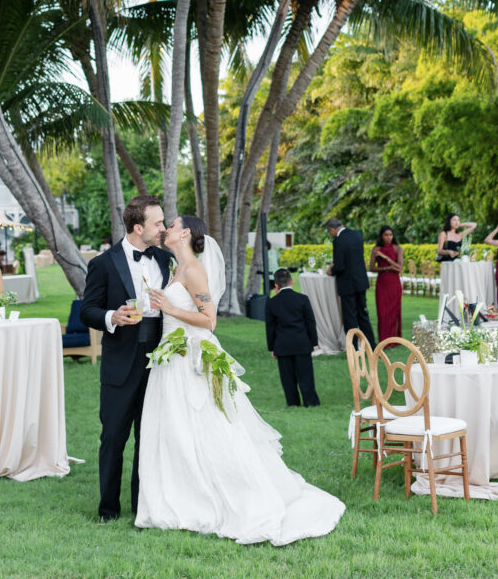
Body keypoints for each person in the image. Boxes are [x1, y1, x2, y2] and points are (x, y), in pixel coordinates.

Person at [136, 215, 344, 544]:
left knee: (206, 428)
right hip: (171, 357)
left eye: (172, 225)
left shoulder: (193, 270)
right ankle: (180, 496)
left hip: (191, 358)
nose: (166, 230)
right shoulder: (178, 267)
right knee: (175, 430)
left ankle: (221, 496)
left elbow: (209, 321)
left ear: (186, 233)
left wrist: (170, 309)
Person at [79, 195, 172, 523]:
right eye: (157, 223)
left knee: (148, 436)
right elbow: (86, 310)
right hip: (120, 363)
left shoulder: (164, 259)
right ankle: (108, 509)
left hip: (159, 362)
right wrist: (112, 317)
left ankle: (141, 504)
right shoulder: (103, 264)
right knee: (114, 437)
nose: (162, 228)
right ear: (138, 227)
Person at [265, 268, 320, 407]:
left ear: (276, 286)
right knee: (306, 376)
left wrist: (272, 347)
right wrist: (314, 342)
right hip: (302, 343)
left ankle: (293, 403)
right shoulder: (302, 299)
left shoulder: (271, 303)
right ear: (292, 281)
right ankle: (311, 402)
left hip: (282, 345)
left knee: (287, 378)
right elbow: (310, 322)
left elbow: (270, 327)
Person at [325, 217, 375, 348]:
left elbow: (340, 266)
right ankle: (372, 346)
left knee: (350, 318)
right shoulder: (357, 235)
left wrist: (331, 270)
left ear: (331, 229)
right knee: (363, 315)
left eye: (329, 232)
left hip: (347, 284)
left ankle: (353, 348)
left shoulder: (338, 240)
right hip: (360, 282)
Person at [369, 225, 403, 341]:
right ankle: (383, 340)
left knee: (394, 311)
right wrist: (386, 269)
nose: (389, 237)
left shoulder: (398, 248)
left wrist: (385, 257)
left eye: (390, 235)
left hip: (394, 283)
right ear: (381, 236)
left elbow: (399, 268)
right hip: (382, 283)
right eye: (386, 235)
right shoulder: (376, 249)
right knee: (382, 312)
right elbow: (372, 268)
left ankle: (394, 340)